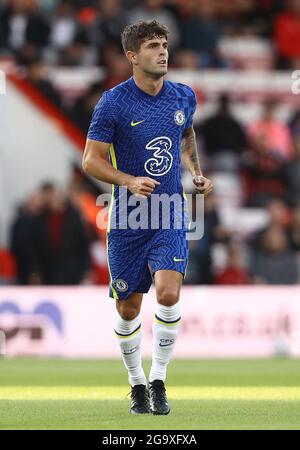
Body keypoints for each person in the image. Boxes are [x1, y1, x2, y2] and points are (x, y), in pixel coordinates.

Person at [82, 20, 212, 415]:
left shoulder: (183, 96)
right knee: (128, 309)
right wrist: (128, 180)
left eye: (165, 44)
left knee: (169, 294)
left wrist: (195, 171)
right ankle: (135, 383)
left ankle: (158, 379)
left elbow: (185, 134)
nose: (163, 52)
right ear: (132, 56)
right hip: (127, 218)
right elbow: (90, 160)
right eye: (153, 45)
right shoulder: (114, 103)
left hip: (169, 211)